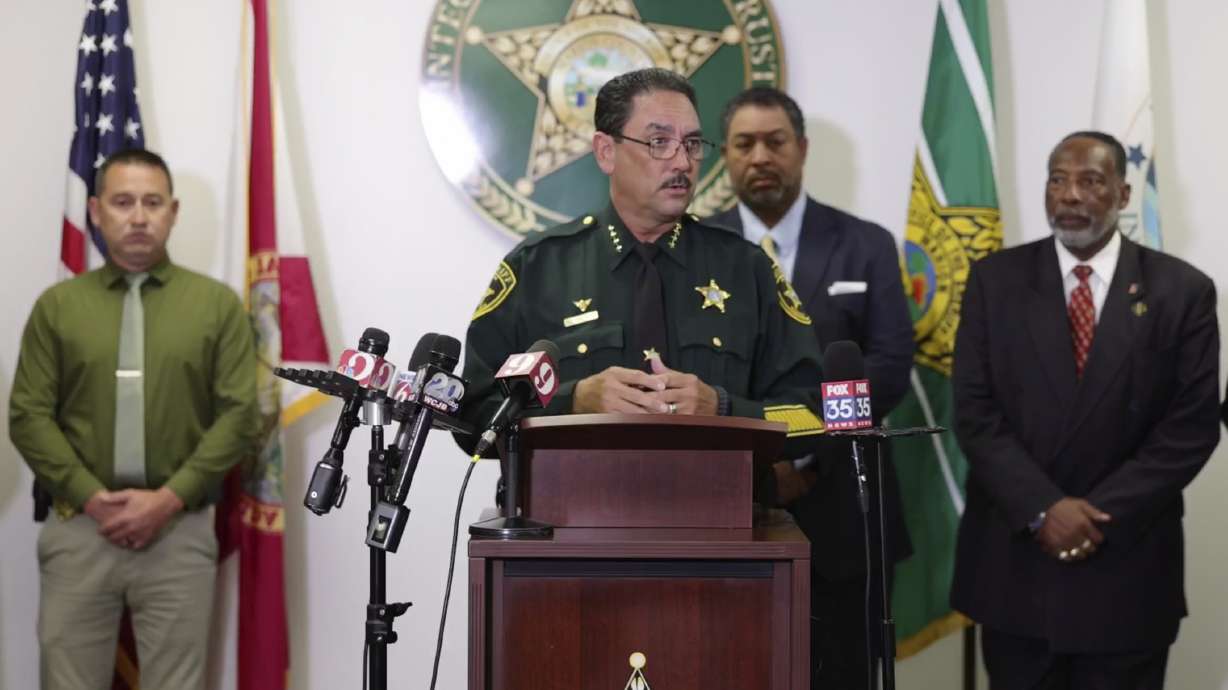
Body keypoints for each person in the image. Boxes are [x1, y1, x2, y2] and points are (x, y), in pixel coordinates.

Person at [950, 131, 1219, 690]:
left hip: (1126, 568)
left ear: (1123, 194)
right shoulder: (993, 282)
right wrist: (1044, 508)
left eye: (1090, 181)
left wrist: (1092, 516)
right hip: (1017, 569)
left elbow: (1190, 429)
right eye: (1057, 179)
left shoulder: (1181, 291)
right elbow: (975, 413)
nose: (1069, 195)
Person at [458, 68, 826, 467]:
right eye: (659, 142)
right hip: (570, 522)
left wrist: (723, 408)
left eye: (692, 143)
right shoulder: (537, 268)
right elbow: (472, 416)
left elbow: (816, 416)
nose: (682, 162)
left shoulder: (747, 268)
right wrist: (573, 401)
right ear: (605, 151)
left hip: (721, 520)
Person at [9, 149, 258, 690]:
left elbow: (240, 415)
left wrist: (168, 499)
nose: (138, 217)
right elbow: (28, 416)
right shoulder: (58, 307)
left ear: (174, 211)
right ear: (96, 212)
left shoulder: (216, 307)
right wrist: (94, 499)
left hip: (179, 530)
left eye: (152, 202)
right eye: (123, 202)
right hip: (80, 527)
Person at [706, 86, 915, 689]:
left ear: (801, 148)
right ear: (725, 154)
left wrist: (804, 455)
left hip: (846, 503)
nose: (760, 156)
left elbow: (890, 366)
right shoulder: (696, 248)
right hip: (730, 498)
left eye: (775, 141)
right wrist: (763, 459)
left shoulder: (865, 243)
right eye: (745, 144)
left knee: (845, 673)